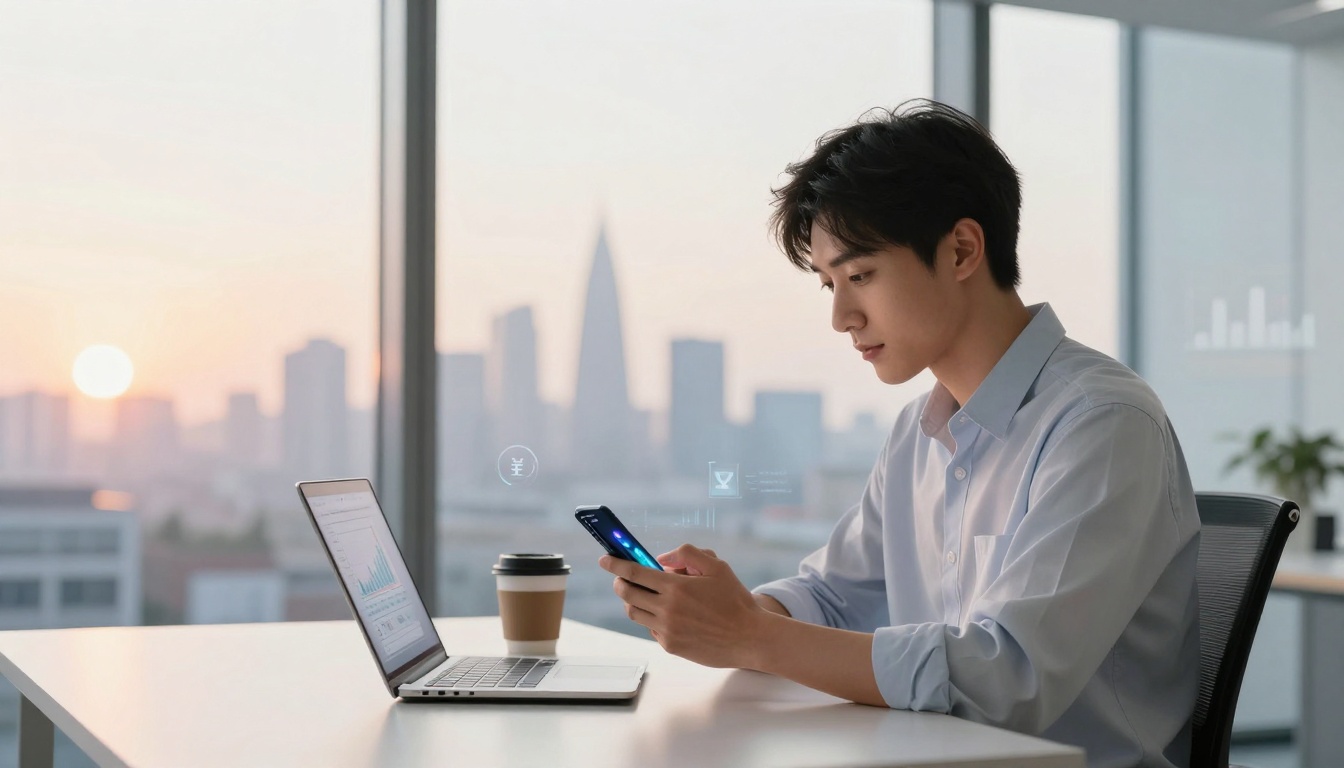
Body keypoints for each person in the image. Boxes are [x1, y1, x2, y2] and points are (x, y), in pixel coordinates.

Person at [598, 99, 1200, 768]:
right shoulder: (919, 433)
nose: (841, 316)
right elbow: (835, 596)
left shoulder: (1101, 424)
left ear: (963, 250)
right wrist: (733, 610)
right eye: (828, 283)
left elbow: (1007, 680)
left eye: (859, 276)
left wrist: (749, 637)